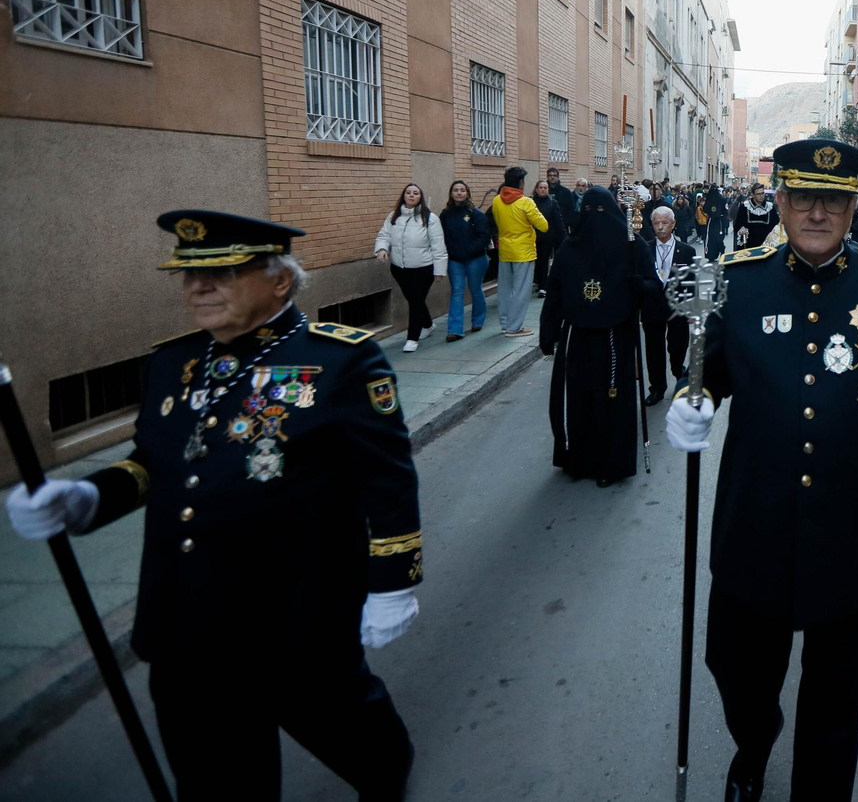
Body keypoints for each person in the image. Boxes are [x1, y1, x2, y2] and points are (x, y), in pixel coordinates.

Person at [7, 211, 423, 801]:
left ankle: (385, 766)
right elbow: (153, 463)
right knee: (215, 782)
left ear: (279, 281)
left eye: (222, 273)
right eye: (189, 275)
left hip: (295, 612)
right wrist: (88, 496)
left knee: (348, 729)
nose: (197, 288)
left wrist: (391, 584)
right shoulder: (171, 364)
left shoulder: (341, 362)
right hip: (186, 618)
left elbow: (387, 481)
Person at [665, 138, 858, 802]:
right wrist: (690, 399)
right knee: (735, 671)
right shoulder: (740, 278)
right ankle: (753, 743)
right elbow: (707, 373)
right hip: (752, 529)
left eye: (834, 201)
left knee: (837, 704)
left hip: (851, 533)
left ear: (854, 208)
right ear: (780, 202)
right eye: (804, 199)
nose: (818, 213)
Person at [539, 187, 659, 486]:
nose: (595, 218)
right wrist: (549, 331)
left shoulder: (633, 245)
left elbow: (655, 286)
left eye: (602, 211)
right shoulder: (570, 247)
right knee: (581, 400)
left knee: (611, 401)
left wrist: (639, 287)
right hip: (579, 335)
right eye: (590, 211)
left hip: (615, 335)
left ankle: (612, 464)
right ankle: (581, 460)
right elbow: (554, 292)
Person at [374, 183, 447, 353]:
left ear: (420, 196)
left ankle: (412, 338)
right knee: (416, 301)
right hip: (399, 268)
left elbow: (438, 245)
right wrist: (382, 248)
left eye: (415, 193)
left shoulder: (429, 218)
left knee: (415, 302)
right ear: (404, 196)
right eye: (408, 193)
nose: (411, 196)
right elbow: (384, 234)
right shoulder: (394, 216)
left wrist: (439, 270)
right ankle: (428, 325)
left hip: (423, 268)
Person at [642, 205, 694, 405]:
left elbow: (693, 279)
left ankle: (677, 368)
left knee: (678, 345)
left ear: (673, 224)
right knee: (653, 349)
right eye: (656, 223)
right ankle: (657, 388)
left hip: (678, 306)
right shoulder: (645, 249)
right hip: (652, 307)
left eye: (665, 223)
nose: (660, 227)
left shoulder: (686, 251)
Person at [489, 167, 549, 337]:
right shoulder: (526, 202)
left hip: (505, 250)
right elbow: (543, 226)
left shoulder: (496, 201)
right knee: (521, 291)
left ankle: (505, 323)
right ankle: (514, 327)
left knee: (505, 290)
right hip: (523, 251)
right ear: (521, 182)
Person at [440, 180, 494, 341]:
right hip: (455, 260)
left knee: (475, 289)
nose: (459, 193)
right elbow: (441, 236)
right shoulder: (445, 215)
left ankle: (477, 321)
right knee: (457, 292)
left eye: (462, 190)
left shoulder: (475, 213)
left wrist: (469, 250)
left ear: (467, 193)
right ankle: (455, 330)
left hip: (475, 259)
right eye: (456, 190)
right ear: (451, 193)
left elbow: (484, 236)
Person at [532, 178, 567, 298]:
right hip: (532, 238)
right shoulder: (531, 202)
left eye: (545, 188)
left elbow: (559, 221)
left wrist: (564, 238)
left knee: (544, 260)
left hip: (548, 237)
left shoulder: (552, 202)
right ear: (536, 189)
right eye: (540, 188)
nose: (543, 190)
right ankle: (538, 281)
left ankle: (543, 286)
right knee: (536, 261)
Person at [731, 183, 778, 250]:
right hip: (748, 246)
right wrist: (741, 230)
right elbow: (737, 224)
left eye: (762, 193)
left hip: (766, 246)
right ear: (753, 195)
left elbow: (776, 225)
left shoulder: (770, 207)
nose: (761, 196)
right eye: (758, 194)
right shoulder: (744, 207)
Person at [546, 167, 579, 236]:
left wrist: (566, 223)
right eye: (550, 175)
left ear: (558, 177)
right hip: (546, 227)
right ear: (547, 177)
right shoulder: (542, 191)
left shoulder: (565, 192)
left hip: (562, 227)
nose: (552, 177)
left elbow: (571, 209)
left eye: (554, 175)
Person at [705, 183, 730, 258]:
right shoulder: (712, 199)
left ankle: (720, 251)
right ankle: (713, 254)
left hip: (717, 221)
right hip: (714, 220)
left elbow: (705, 209)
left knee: (715, 238)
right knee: (713, 238)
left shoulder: (719, 199)